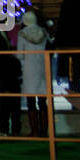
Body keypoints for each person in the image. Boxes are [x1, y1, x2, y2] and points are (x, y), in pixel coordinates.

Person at [17, 8, 51, 137]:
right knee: (43, 101)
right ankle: (44, 131)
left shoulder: (22, 33)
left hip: (29, 69)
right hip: (43, 67)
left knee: (31, 102)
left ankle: (34, 130)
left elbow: (20, 55)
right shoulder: (43, 32)